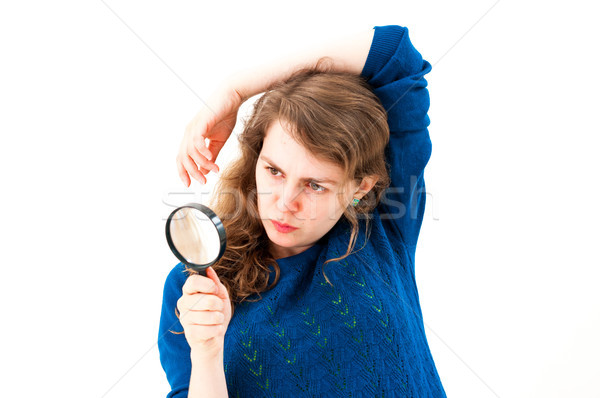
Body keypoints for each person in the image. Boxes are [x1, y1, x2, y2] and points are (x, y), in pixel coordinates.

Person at [158, 24, 446, 397]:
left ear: (360, 187)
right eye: (274, 171)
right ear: (257, 157)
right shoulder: (195, 286)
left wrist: (237, 88)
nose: (284, 202)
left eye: (315, 185)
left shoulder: (385, 229)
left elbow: (395, 54)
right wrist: (208, 352)